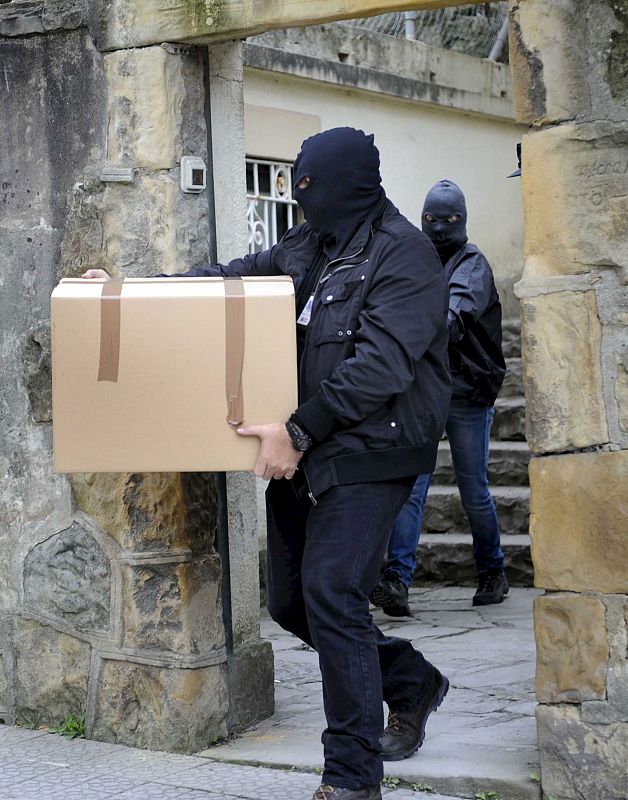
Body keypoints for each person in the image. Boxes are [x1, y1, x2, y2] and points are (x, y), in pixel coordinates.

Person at [84, 128, 452, 800]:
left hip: (374, 449)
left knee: (333, 591)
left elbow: (381, 366)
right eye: (298, 187)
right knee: (290, 604)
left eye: (314, 187)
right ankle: (410, 680)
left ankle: (351, 779)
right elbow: (229, 280)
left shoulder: (406, 255)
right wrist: (129, 292)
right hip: (304, 447)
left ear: (351, 185)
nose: (305, 199)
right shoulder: (308, 244)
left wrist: (297, 430)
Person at [371, 179, 507, 617]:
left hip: (467, 393)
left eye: (449, 220)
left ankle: (492, 571)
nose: (441, 227)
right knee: (411, 489)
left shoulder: (473, 264)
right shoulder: (417, 259)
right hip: (424, 392)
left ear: (462, 220)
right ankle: (397, 581)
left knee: (474, 490)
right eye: (432, 219)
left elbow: (455, 313)